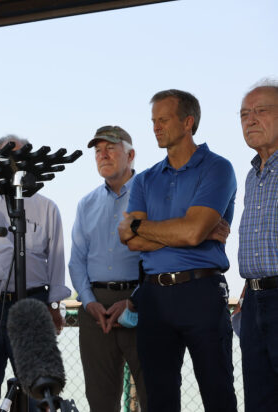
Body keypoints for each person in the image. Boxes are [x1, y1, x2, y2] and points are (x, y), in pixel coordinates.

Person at [117, 89, 237, 412]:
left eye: (163, 119)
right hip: (154, 297)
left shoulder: (218, 169)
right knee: (159, 401)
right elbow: (131, 240)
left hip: (201, 291)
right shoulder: (144, 180)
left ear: (188, 122)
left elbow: (191, 231)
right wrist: (186, 231)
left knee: (218, 394)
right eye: (153, 120)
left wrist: (144, 226)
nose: (155, 127)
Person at [0, 135, 70, 412]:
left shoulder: (47, 207)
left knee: (39, 389)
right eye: (6, 157)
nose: (13, 164)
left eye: (18, 157)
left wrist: (53, 305)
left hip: (33, 301)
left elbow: (57, 259)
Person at [69, 126, 147, 412]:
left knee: (154, 394)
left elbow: (160, 255)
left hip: (140, 303)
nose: (103, 155)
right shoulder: (86, 204)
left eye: (110, 148)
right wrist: (88, 302)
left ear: (131, 154)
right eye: (98, 150)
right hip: (95, 311)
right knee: (100, 401)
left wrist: (135, 300)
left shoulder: (149, 194)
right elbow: (76, 260)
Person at [236, 79, 278, 411]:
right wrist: (247, 290)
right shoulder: (253, 174)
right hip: (253, 301)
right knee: (259, 400)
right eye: (244, 114)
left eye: (261, 111)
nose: (250, 120)